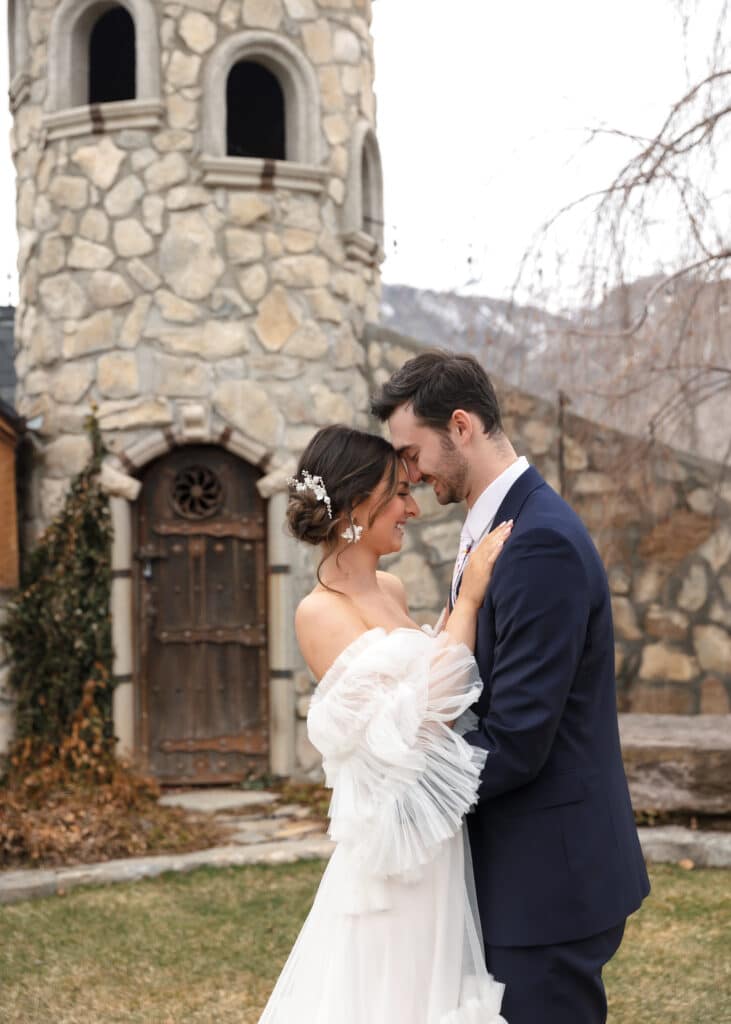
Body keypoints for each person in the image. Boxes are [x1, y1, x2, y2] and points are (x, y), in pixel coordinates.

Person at [371, 350, 651, 1024]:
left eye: (411, 453)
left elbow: (519, 737)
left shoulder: (538, 542)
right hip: (521, 870)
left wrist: (410, 802)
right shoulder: (501, 527)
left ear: (460, 426)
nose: (407, 475)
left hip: (547, 882)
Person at [259, 424, 510, 1024]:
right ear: (354, 504)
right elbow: (425, 712)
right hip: (391, 861)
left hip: (434, 841)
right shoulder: (320, 612)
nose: (412, 508)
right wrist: (468, 603)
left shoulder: (393, 588)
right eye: (398, 494)